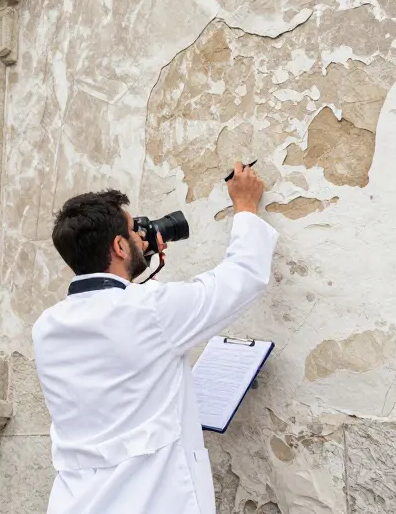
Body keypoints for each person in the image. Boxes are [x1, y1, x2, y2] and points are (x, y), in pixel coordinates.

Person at [31, 162, 277, 514]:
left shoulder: (46, 326)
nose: (140, 237)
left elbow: (121, 322)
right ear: (119, 246)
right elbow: (241, 277)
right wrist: (246, 208)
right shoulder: (151, 311)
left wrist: (130, 266)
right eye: (133, 232)